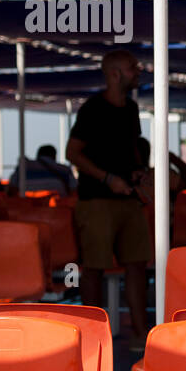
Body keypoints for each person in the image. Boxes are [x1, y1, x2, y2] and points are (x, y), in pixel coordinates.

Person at [65, 50, 150, 351]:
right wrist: (106, 178)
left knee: (138, 265)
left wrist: (139, 172)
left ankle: (141, 334)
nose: (138, 72)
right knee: (94, 268)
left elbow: (133, 146)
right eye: (132, 68)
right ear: (114, 73)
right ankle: (92, 338)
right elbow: (72, 153)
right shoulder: (92, 108)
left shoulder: (131, 108)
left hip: (129, 200)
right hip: (96, 200)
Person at [8, 144, 77, 197]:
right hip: (56, 211)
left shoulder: (23, 168)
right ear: (54, 156)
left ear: (38, 155)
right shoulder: (65, 170)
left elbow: (12, 189)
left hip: (25, 209)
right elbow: (74, 191)